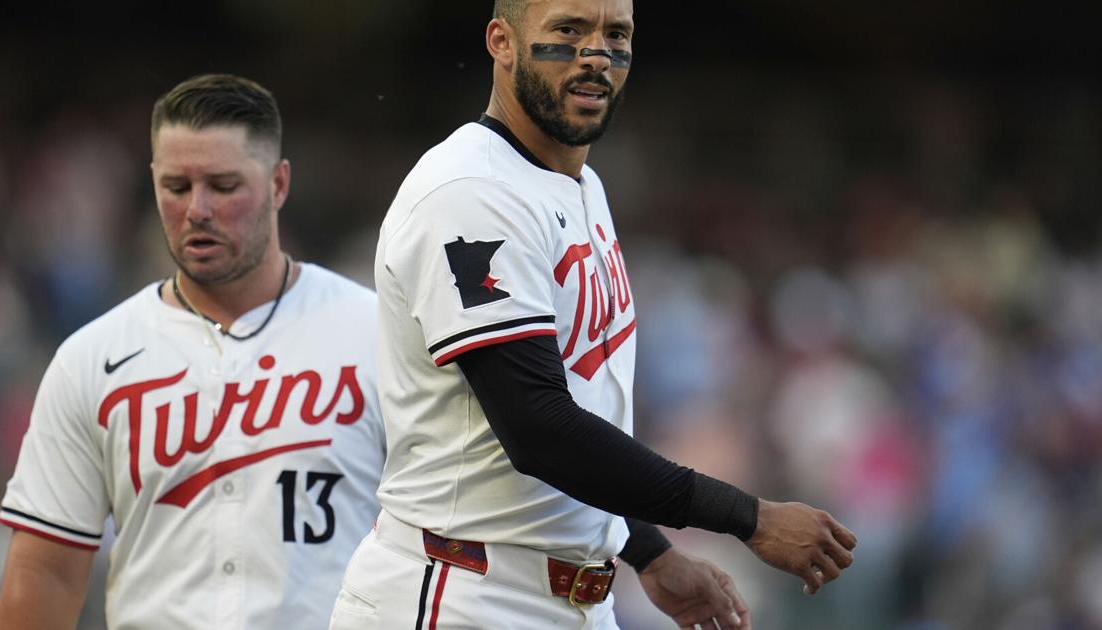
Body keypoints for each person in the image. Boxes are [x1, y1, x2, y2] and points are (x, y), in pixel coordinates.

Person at [331, 1, 858, 629]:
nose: (595, 56)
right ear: (501, 41)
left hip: (564, 592)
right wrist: (749, 518)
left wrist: (648, 551)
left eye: (616, 35)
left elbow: (581, 416)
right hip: (461, 588)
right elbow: (539, 428)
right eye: (568, 30)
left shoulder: (579, 183)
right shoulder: (470, 191)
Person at [0, 74, 386, 629]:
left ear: (278, 185)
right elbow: (45, 575)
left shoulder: (374, 333)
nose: (197, 209)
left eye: (223, 186)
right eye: (176, 186)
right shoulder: (92, 358)